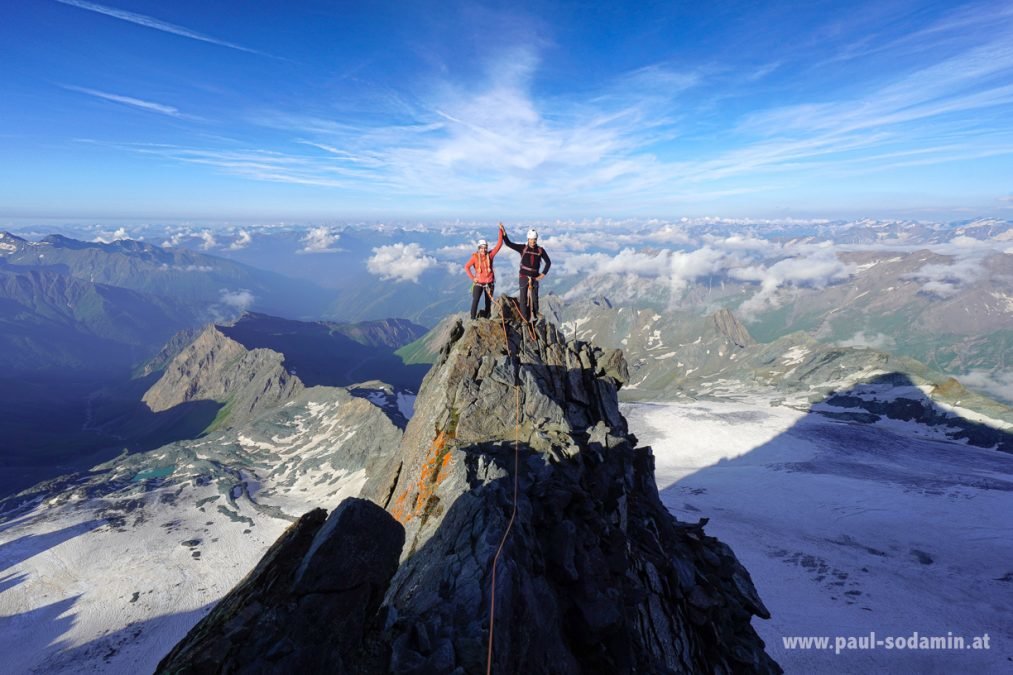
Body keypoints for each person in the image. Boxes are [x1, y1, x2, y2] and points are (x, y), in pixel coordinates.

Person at [500, 224, 550, 322]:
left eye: (534, 239)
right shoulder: (523, 248)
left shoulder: (540, 250)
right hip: (523, 276)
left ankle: (535, 316)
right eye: (531, 239)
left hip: (535, 277)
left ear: (536, 239)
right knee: (523, 298)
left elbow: (548, 262)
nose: (533, 241)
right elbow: (509, 244)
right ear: (528, 239)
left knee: (535, 298)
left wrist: (543, 274)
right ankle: (524, 318)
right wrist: (504, 234)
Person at [463, 226, 504, 320]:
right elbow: (466, 267)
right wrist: (473, 278)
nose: (483, 250)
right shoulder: (475, 257)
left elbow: (499, 245)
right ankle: (472, 318)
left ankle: (487, 316)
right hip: (478, 283)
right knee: (475, 300)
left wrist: (500, 231)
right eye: (481, 248)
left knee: (488, 302)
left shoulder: (490, 255)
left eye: (485, 248)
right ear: (478, 248)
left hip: (489, 283)